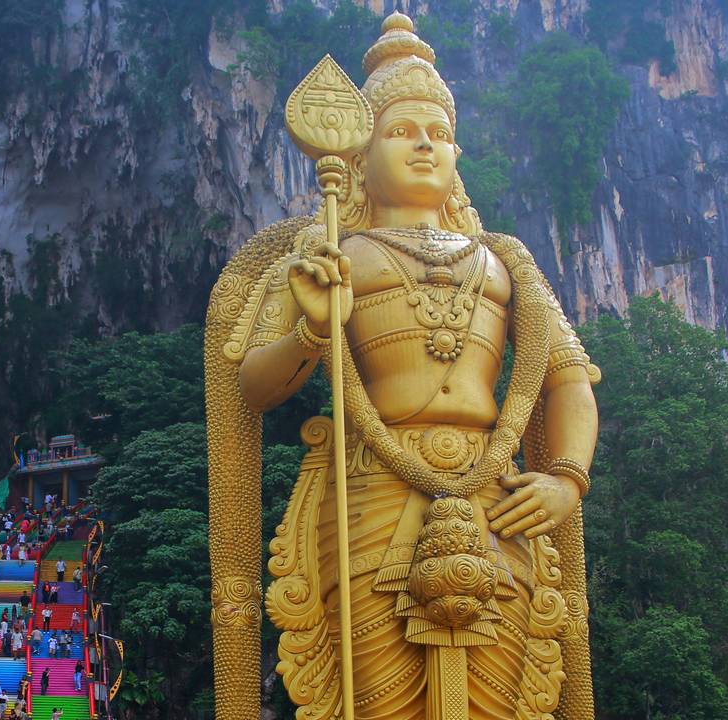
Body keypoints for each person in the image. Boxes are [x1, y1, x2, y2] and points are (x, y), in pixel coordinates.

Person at [206, 13, 601, 718]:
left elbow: (567, 376)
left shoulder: (506, 262)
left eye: (440, 134)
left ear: (457, 157)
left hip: (495, 498)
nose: (424, 145)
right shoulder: (325, 253)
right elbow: (251, 386)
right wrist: (309, 330)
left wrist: (568, 477)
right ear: (359, 155)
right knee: (378, 703)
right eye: (401, 130)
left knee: (506, 701)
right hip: (370, 492)